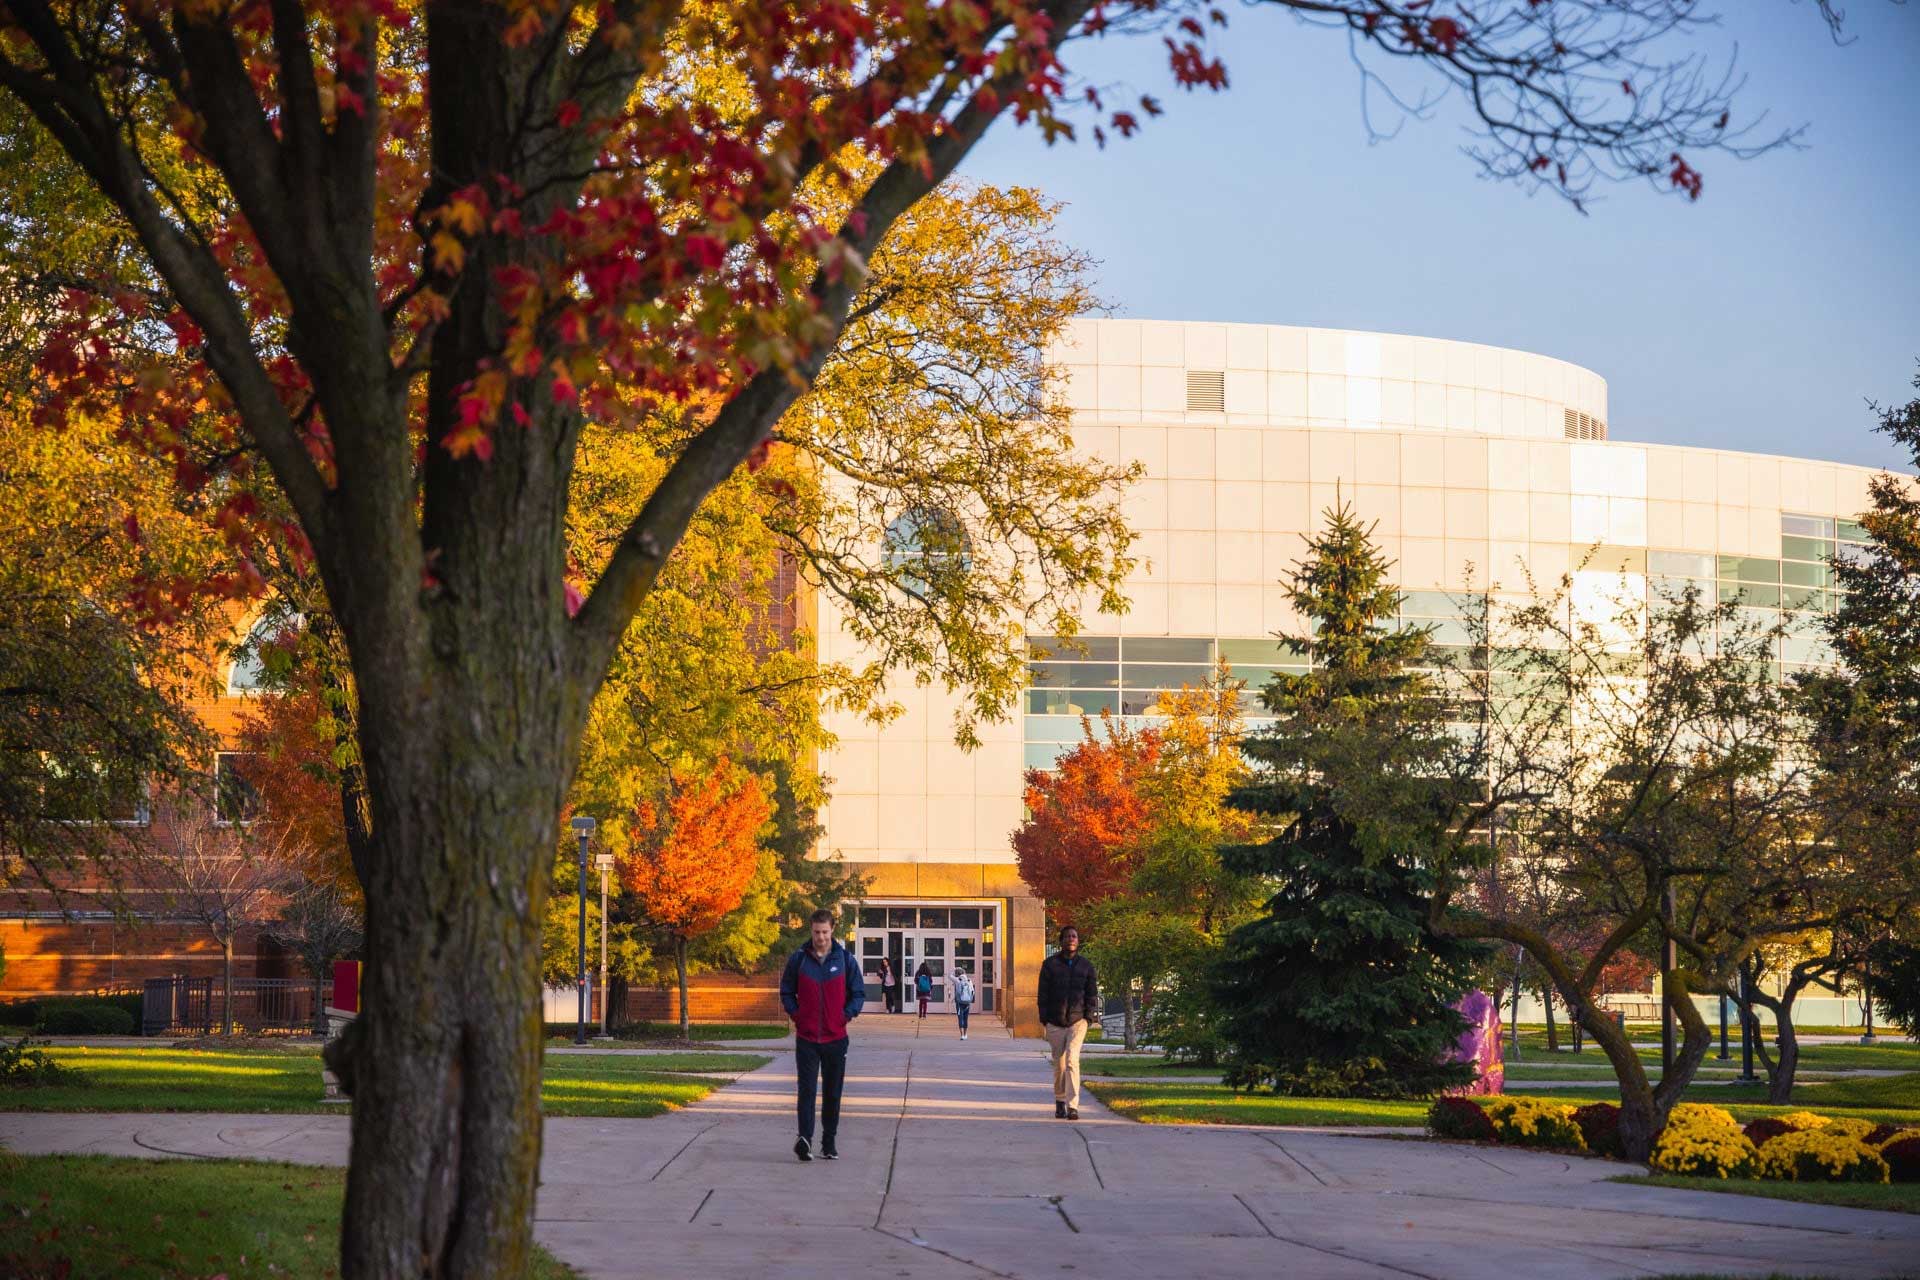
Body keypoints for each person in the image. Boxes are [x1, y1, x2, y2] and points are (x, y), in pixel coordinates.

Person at [779, 908, 866, 1161]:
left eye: (825, 932)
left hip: (835, 1038)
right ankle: (804, 1139)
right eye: (816, 932)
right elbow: (787, 991)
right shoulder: (799, 959)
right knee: (806, 1090)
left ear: (832, 930)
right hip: (807, 1038)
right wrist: (797, 1015)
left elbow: (858, 993)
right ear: (811, 930)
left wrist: (845, 1015)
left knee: (832, 1091)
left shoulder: (845, 960)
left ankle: (829, 1141)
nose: (821, 937)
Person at [1036, 925, 1098, 1120]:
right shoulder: (1049, 965)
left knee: (1072, 1060)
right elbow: (1042, 994)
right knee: (1060, 1064)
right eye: (1068, 936)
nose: (1071, 939)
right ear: (1061, 941)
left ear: (1078, 941)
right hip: (1055, 1022)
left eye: (1075, 936)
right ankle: (1060, 1101)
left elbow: (1092, 994)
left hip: (1077, 1021)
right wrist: (1045, 1019)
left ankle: (1073, 1106)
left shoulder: (1086, 966)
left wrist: (1088, 1017)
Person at [953, 966, 976, 1040]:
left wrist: (954, 969)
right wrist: (970, 1000)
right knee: (966, 1018)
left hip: (959, 1002)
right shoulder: (969, 981)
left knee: (960, 1018)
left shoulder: (957, 980)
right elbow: (973, 991)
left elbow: (949, 976)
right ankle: (966, 1034)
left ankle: (962, 1035)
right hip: (967, 1002)